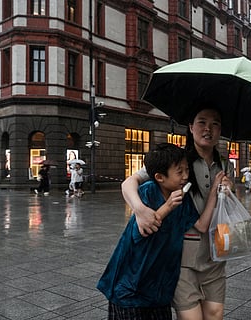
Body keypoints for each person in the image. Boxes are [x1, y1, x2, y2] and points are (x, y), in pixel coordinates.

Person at [121, 106, 234, 320]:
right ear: (191, 127)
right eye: (202, 122)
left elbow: (225, 208)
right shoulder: (177, 160)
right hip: (183, 257)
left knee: (215, 314)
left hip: (216, 253)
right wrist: (140, 210)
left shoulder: (225, 164)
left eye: (215, 123)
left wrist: (229, 191)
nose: (208, 129)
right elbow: (130, 182)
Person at [97, 143, 223, 320]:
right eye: (180, 172)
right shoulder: (147, 192)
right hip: (132, 288)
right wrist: (168, 206)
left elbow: (202, 225)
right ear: (159, 177)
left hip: (160, 289)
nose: (186, 176)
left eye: (187, 170)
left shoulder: (182, 198)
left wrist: (214, 193)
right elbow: (145, 229)